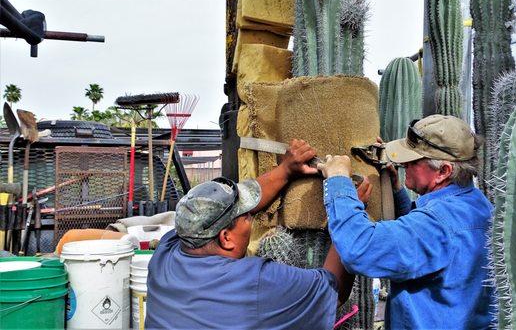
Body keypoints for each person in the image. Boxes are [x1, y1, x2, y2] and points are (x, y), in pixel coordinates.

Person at [145, 139, 358, 330]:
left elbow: (241, 205)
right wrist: (347, 208)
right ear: (225, 238)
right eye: (247, 216)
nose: (252, 215)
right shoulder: (254, 281)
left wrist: (285, 170)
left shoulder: (167, 250)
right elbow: (334, 290)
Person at [317, 115, 494, 329]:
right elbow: (425, 246)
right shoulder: (478, 205)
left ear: (443, 171)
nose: (402, 163)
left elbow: (360, 248)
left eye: (413, 160)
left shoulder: (436, 225)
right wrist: (397, 192)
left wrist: (338, 180)